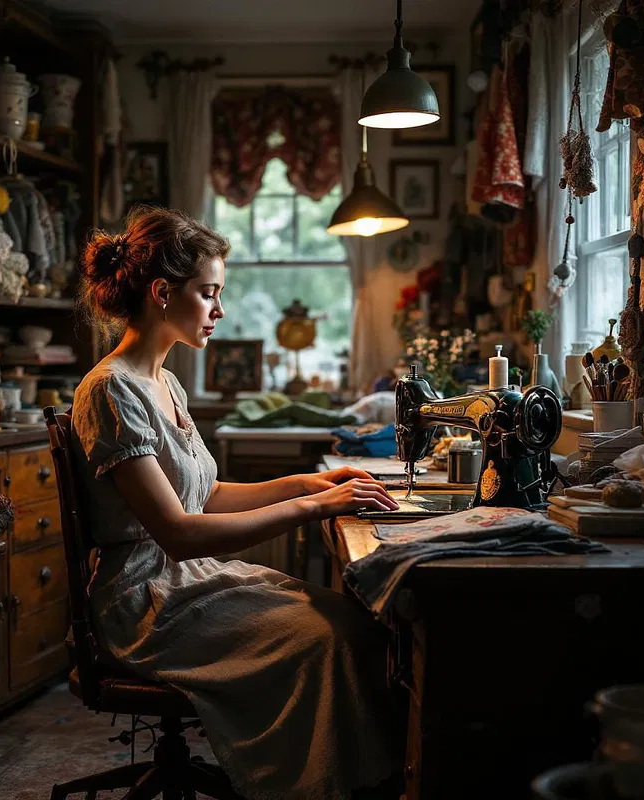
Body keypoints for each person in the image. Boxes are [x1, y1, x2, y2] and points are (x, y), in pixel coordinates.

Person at [71, 206, 402, 800]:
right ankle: (313, 788)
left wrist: (308, 484)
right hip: (145, 601)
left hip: (182, 580)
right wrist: (316, 510)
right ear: (161, 293)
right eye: (209, 294)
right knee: (320, 639)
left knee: (352, 620)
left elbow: (209, 495)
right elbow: (180, 532)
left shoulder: (164, 383)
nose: (219, 311)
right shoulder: (111, 390)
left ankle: (353, 783)